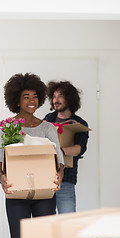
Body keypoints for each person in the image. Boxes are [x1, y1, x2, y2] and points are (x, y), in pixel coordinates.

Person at [0, 73, 65, 238]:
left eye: (34, 97)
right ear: (17, 101)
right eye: (26, 97)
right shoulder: (6, 127)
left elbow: (59, 159)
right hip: (16, 193)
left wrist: (59, 176)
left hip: (45, 194)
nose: (32, 101)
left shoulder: (47, 128)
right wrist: (1, 177)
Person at [44, 81, 89, 214]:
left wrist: (59, 151)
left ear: (69, 98)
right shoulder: (47, 119)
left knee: (67, 221)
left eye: (60, 96)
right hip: (45, 179)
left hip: (66, 180)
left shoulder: (79, 123)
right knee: (46, 223)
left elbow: (80, 148)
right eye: (54, 96)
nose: (56, 100)